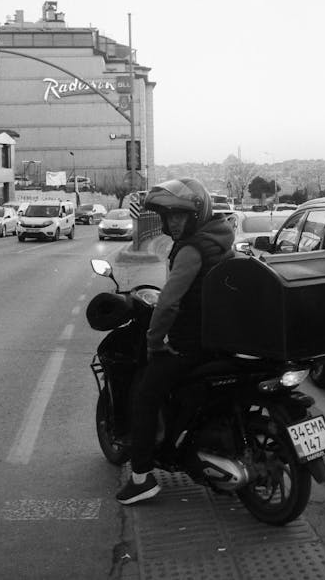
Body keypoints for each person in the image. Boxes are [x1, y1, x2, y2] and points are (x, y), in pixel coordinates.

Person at [116, 177, 235, 505]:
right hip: (221, 339)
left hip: (191, 344)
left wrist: (154, 340)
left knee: (144, 394)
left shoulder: (192, 249)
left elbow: (169, 301)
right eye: (169, 217)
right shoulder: (222, 238)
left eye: (181, 216)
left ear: (197, 215)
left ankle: (140, 477)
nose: (174, 223)